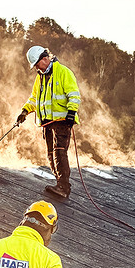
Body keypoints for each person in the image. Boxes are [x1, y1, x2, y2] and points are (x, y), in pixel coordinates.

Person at [16, 46, 81, 199]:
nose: (36, 68)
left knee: (59, 152)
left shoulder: (63, 72)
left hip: (62, 121)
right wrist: (25, 111)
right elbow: (34, 98)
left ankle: (64, 187)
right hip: (47, 123)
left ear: (45, 58)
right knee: (51, 154)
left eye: (37, 64)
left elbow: (74, 95)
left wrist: (71, 112)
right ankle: (59, 182)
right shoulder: (40, 77)